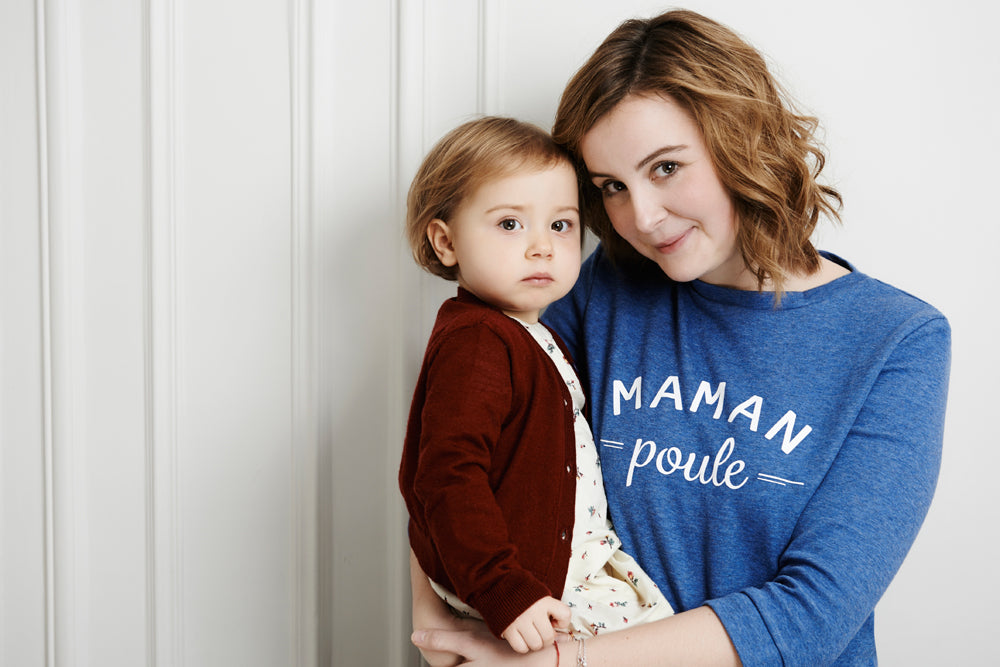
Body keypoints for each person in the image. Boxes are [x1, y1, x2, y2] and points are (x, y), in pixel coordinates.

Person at [410, 9, 951, 666]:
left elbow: (809, 614)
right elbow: (457, 438)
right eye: (611, 186)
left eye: (664, 168)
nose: (640, 216)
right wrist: (437, 616)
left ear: (741, 140)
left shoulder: (897, 340)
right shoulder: (596, 288)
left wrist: (556, 663)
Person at [399, 117, 674, 665]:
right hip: (523, 588)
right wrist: (504, 589)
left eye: (561, 226)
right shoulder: (478, 339)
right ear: (446, 241)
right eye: (508, 224)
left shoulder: (534, 335)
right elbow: (445, 476)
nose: (541, 248)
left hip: (559, 575)